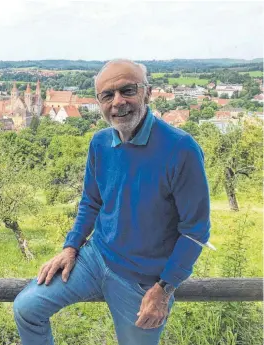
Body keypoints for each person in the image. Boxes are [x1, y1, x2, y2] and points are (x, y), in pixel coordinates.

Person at [13, 59, 211, 345]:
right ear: (99, 102)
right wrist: (71, 247)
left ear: (147, 92)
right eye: (108, 95)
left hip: (143, 280)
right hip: (95, 258)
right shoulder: (100, 143)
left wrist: (164, 289)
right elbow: (91, 202)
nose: (118, 101)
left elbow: (196, 231)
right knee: (27, 308)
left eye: (127, 90)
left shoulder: (180, 149)